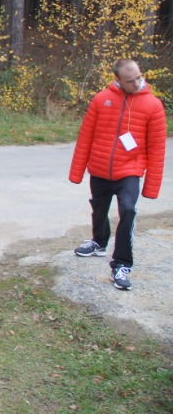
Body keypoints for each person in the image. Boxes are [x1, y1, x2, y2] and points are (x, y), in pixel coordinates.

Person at [68, 59, 166, 291]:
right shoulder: (102, 100)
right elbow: (86, 137)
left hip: (129, 171)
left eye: (139, 78)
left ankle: (121, 265)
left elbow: (157, 149)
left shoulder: (153, 105)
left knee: (129, 210)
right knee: (99, 208)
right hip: (100, 169)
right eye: (130, 80)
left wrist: (151, 187)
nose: (137, 83)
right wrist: (77, 172)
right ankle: (99, 242)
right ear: (118, 80)